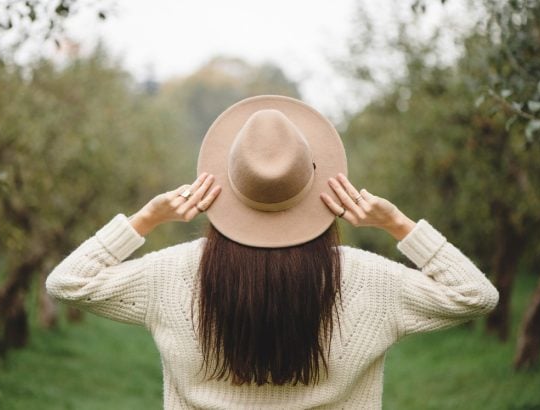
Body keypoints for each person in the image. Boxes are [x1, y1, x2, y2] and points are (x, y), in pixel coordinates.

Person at [46, 95, 499, 409]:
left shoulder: (174, 273)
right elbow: (476, 295)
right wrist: (396, 224)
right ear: (319, 187)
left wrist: (145, 218)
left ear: (224, 189)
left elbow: (67, 282)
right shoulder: (365, 279)